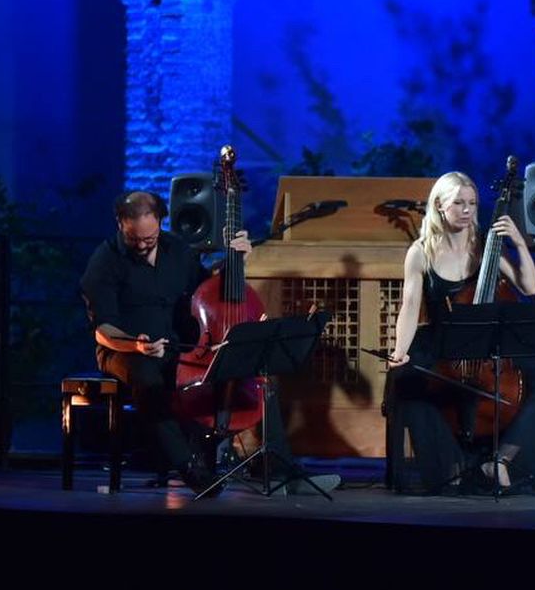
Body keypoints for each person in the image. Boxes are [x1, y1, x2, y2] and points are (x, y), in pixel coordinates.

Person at [79, 190, 340, 493]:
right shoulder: (105, 260)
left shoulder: (177, 250)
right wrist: (135, 345)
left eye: (148, 239)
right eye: (133, 239)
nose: (141, 246)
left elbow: (208, 290)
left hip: (181, 346)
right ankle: (191, 468)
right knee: (147, 376)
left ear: (161, 222)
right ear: (120, 223)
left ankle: (282, 470)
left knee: (253, 373)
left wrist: (235, 258)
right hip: (123, 350)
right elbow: (103, 330)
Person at [386, 172, 535, 494]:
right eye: (459, 203)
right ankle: (453, 467)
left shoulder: (484, 246)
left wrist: (519, 242)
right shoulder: (420, 252)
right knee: (405, 383)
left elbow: (529, 287)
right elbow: (409, 306)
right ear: (439, 205)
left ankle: (502, 461)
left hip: (489, 349)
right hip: (442, 347)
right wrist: (400, 350)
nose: (467, 210)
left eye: (472, 203)